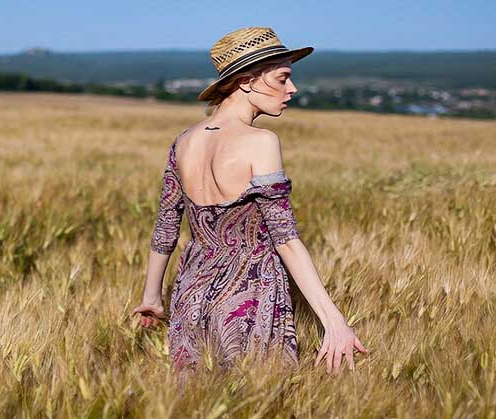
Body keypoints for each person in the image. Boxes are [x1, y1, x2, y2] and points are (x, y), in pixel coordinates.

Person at [131, 27, 369, 377]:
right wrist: (333, 320)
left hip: (191, 294)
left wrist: (152, 297)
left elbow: (166, 224)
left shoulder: (183, 141)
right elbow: (285, 239)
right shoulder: (261, 142)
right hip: (250, 294)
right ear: (247, 81)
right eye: (283, 78)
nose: (293, 89)